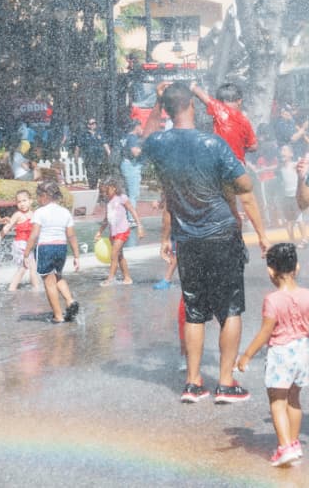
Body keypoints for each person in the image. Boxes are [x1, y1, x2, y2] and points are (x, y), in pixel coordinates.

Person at [141, 82, 265, 404]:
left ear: (167, 109)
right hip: (221, 234)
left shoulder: (159, 144)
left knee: (194, 310)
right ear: (192, 107)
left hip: (188, 240)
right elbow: (244, 184)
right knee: (231, 308)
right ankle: (225, 383)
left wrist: (157, 104)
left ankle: (193, 383)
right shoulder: (214, 144)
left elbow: (145, 136)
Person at [235, 243, 309, 467]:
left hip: (280, 353)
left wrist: (247, 355)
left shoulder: (272, 300)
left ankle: (284, 447)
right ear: (296, 267)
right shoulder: (307, 295)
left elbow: (265, 332)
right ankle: (294, 442)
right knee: (294, 399)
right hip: (301, 351)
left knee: (277, 401)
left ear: (270, 271)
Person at [23, 180, 81, 324]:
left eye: (38, 196)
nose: (37, 199)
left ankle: (58, 316)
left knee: (49, 283)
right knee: (58, 277)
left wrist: (26, 253)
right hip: (61, 247)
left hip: (45, 248)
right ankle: (70, 300)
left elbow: (34, 235)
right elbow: (72, 236)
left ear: (45, 195)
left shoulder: (40, 212)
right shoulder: (65, 212)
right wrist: (76, 256)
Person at [190, 81, 258, 163]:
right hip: (237, 164)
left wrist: (193, 87)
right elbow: (254, 146)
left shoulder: (219, 109)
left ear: (219, 101)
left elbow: (203, 96)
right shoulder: (244, 120)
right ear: (239, 101)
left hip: (220, 162)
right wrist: (240, 147)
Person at [97, 175, 145, 285]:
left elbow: (132, 211)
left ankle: (110, 278)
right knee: (119, 256)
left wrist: (139, 226)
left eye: (106, 191)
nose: (105, 194)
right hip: (113, 232)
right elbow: (106, 218)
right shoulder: (108, 201)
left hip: (123, 230)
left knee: (114, 254)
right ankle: (127, 278)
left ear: (113, 188)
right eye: (103, 192)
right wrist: (100, 231)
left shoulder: (122, 198)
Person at [0, 190, 41, 292]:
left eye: (24, 201)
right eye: (19, 202)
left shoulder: (34, 214)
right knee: (26, 267)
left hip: (29, 245)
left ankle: (34, 288)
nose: (22, 204)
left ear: (31, 201)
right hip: (20, 245)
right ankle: (14, 289)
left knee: (29, 268)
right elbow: (7, 227)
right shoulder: (18, 214)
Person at [73, 118, 111, 190]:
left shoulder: (100, 134)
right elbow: (78, 147)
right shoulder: (83, 135)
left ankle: (101, 192)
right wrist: (76, 158)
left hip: (100, 159)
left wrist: (109, 154)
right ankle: (92, 189)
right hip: (89, 159)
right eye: (91, 123)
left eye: (94, 123)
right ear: (88, 125)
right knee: (92, 175)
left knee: (102, 176)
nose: (93, 125)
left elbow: (105, 144)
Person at [119, 119, 145, 205]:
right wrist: (145, 150)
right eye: (140, 126)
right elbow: (135, 152)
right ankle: (131, 217)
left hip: (124, 164)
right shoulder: (133, 137)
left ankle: (127, 215)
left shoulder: (125, 137)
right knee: (133, 194)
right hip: (131, 166)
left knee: (128, 193)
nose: (142, 129)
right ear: (136, 127)